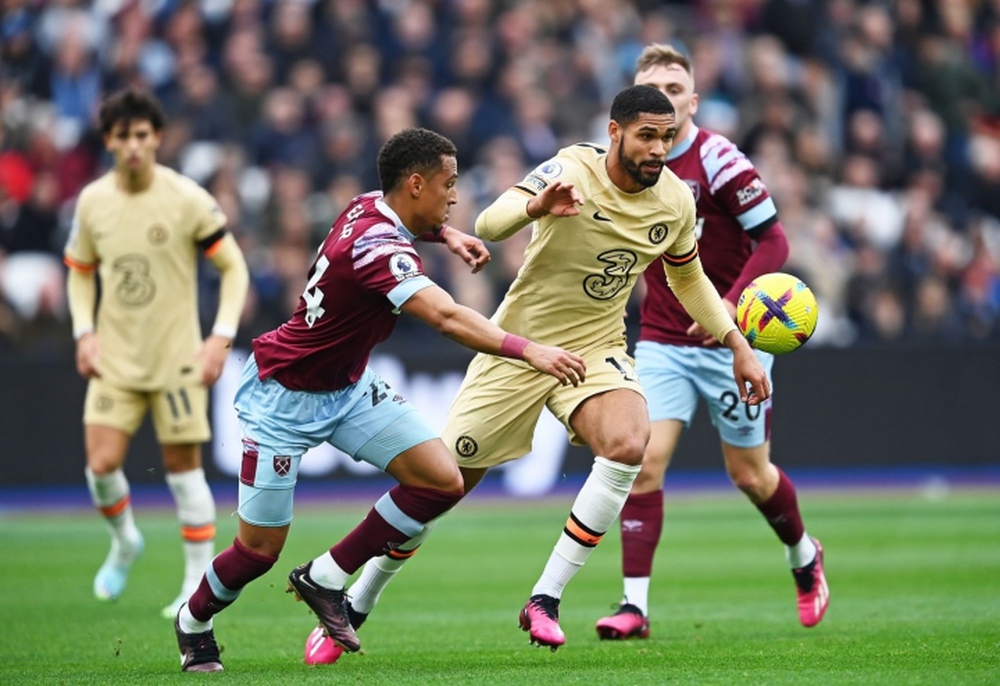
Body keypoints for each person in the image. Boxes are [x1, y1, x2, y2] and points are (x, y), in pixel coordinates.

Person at [310, 84, 771, 656]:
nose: (658, 149)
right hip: (517, 346)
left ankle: (545, 598)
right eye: (647, 136)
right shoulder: (571, 168)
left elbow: (687, 278)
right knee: (440, 486)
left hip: (596, 346)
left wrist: (736, 343)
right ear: (615, 132)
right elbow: (490, 220)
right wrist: (535, 206)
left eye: (667, 137)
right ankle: (358, 600)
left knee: (629, 443)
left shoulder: (676, 202)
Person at [171, 126, 587, 672]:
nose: (455, 195)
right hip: (283, 399)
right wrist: (529, 350)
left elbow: (406, 228)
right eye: (449, 184)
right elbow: (445, 316)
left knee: (441, 480)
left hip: (346, 388)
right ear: (415, 184)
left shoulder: (369, 203)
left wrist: (448, 235)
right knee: (257, 552)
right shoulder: (377, 250)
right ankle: (193, 621)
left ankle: (325, 576)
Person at [594, 44, 829, 642]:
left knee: (750, 475)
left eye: (675, 89)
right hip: (664, 340)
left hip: (733, 343)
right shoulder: (622, 164)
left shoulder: (720, 160)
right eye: (652, 89)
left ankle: (804, 555)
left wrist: (729, 305)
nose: (665, 99)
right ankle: (634, 607)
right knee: (642, 462)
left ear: (693, 101)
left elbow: (774, 242)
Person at [63, 89, 250, 619]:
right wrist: (83, 332)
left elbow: (233, 268)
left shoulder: (187, 198)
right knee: (100, 466)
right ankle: (125, 541)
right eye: (123, 137)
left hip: (177, 361)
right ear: (109, 142)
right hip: (114, 360)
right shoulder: (93, 202)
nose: (134, 146)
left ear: (157, 138)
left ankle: (195, 583)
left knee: (182, 470)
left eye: (143, 135)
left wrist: (219, 337)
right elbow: (79, 273)